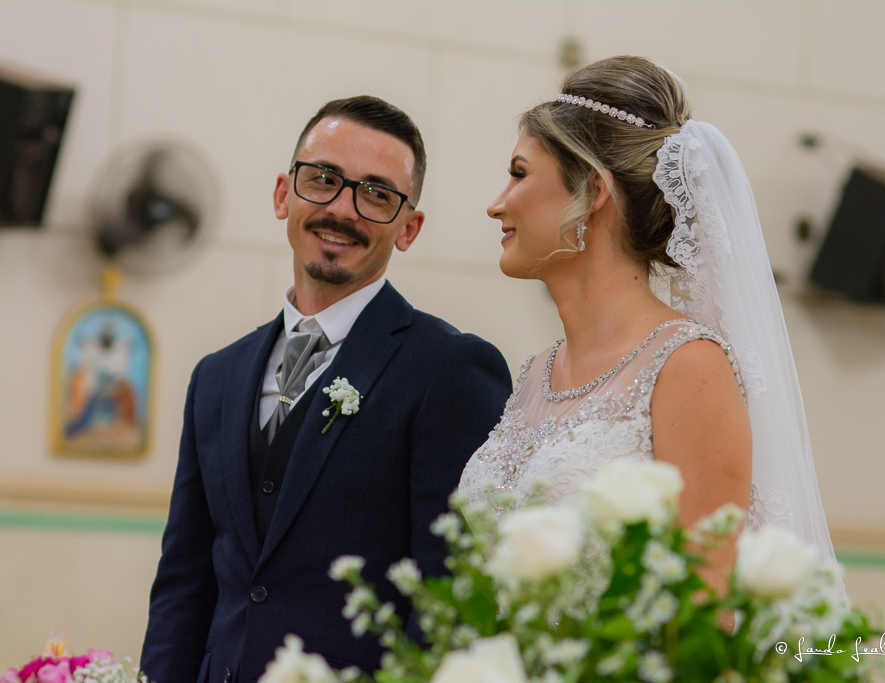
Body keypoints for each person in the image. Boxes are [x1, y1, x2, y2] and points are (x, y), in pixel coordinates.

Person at [141, 96, 513, 683]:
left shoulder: (451, 370)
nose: (342, 209)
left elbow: (450, 596)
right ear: (282, 194)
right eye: (323, 179)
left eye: (377, 194)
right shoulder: (216, 376)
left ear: (409, 228)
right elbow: (183, 584)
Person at [459, 56, 843, 599]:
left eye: (519, 174)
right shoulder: (536, 373)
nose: (496, 205)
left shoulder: (688, 366)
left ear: (592, 191)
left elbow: (706, 602)